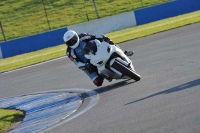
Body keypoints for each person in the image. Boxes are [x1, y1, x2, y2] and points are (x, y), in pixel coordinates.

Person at [63, 30, 133, 87]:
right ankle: (103, 74)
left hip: (96, 52)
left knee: (110, 43)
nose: (72, 42)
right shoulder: (69, 52)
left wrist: (104, 38)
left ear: (76, 36)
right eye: (69, 42)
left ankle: (123, 53)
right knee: (97, 82)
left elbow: (95, 36)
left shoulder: (83, 36)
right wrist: (86, 65)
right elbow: (77, 63)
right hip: (88, 63)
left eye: (73, 39)